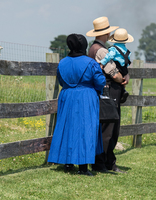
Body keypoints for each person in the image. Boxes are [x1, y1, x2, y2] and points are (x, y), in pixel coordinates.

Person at [48, 34, 106, 176]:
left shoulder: (62, 63)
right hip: (86, 96)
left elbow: (61, 81)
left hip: (67, 96)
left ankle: (67, 163)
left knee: (67, 127)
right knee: (86, 129)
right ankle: (83, 167)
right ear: (83, 45)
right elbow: (100, 82)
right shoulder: (90, 63)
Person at [87, 16, 130, 173]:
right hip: (109, 89)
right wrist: (122, 78)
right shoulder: (102, 50)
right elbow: (113, 73)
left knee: (106, 126)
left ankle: (106, 162)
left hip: (103, 90)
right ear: (106, 33)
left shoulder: (93, 48)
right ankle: (103, 163)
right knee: (109, 128)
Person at [100, 28, 134, 103]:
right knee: (123, 80)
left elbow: (109, 56)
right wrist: (126, 71)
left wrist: (102, 63)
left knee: (116, 78)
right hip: (124, 67)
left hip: (117, 66)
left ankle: (122, 91)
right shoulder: (126, 49)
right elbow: (128, 59)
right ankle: (123, 90)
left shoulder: (113, 48)